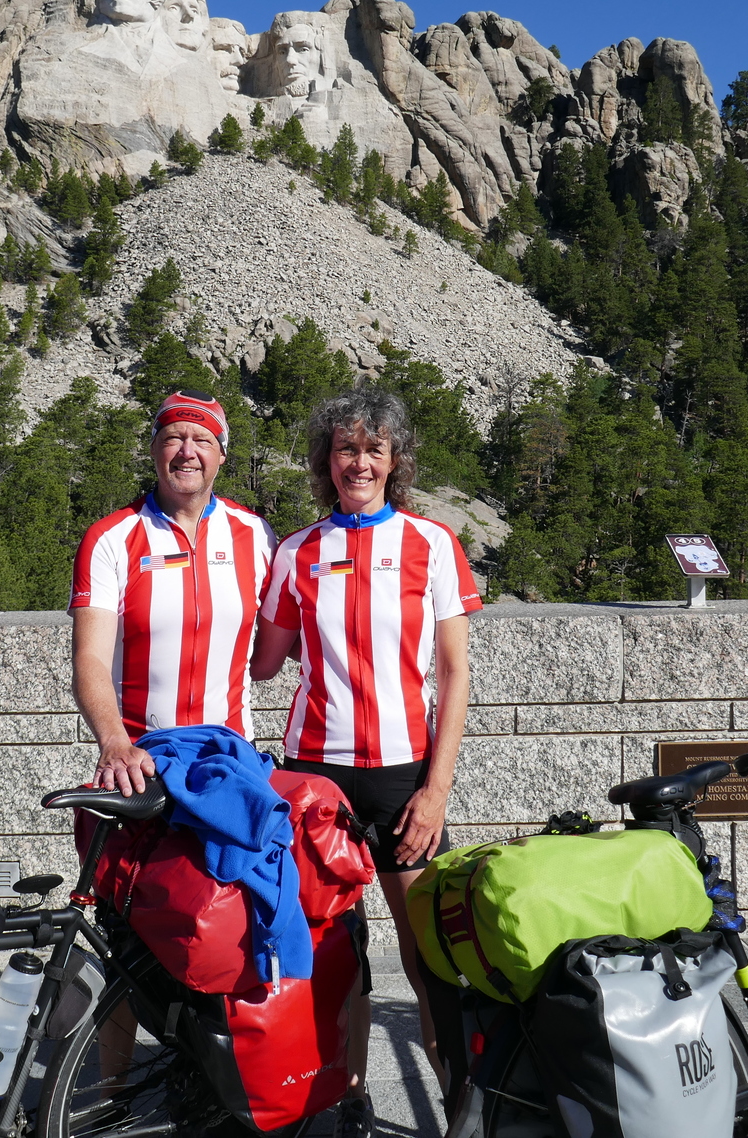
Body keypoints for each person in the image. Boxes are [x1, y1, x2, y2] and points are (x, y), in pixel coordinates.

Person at [251, 388, 482, 1136]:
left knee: (430, 962)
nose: (358, 462)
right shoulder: (296, 551)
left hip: (401, 779)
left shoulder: (430, 543)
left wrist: (435, 791)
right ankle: (345, 1101)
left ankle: (460, 1110)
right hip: (315, 775)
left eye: (372, 449)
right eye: (344, 448)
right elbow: (261, 664)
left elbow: (453, 675)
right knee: (331, 959)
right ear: (326, 461)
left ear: (394, 462)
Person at [69, 389, 277, 790]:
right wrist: (114, 742)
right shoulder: (110, 538)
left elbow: (287, 639)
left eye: (202, 440)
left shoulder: (256, 535)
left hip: (231, 756)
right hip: (141, 762)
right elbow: (89, 658)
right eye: (172, 439)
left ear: (221, 455)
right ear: (153, 450)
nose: (187, 452)